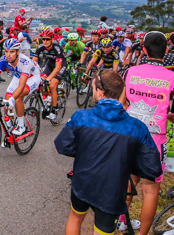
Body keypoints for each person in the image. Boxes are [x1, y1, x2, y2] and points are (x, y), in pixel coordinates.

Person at [55, 71, 162, 235]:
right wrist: (125, 162)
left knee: (75, 218)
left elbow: (63, 145)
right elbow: (153, 168)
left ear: (100, 92)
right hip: (112, 190)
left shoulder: (81, 116)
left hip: (82, 182)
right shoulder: (137, 127)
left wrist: (85, 150)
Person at [122, 31, 174, 234]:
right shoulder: (173, 78)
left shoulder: (130, 72)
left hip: (129, 135)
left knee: (128, 181)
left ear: (143, 50)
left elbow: (120, 103)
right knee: (150, 190)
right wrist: (169, 116)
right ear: (167, 51)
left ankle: (122, 221)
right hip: (155, 139)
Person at [0, 38, 40, 135]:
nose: (8, 54)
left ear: (18, 52)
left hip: (32, 78)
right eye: (6, 51)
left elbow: (22, 86)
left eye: (12, 52)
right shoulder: (3, 59)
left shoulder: (25, 62)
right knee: (7, 102)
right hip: (18, 76)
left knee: (17, 98)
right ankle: (10, 128)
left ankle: (21, 126)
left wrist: (13, 98)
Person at [33, 29, 65, 121]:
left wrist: (49, 79)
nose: (45, 41)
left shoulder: (57, 48)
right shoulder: (40, 47)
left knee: (52, 85)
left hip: (60, 65)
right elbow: (34, 61)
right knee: (41, 83)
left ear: (52, 39)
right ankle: (47, 99)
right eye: (43, 39)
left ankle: (54, 110)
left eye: (47, 39)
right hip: (50, 64)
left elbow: (58, 67)